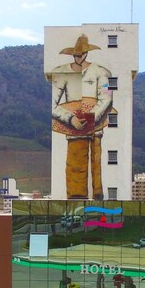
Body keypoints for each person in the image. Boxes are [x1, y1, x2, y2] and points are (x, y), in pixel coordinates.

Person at [50, 34, 114, 199]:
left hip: (96, 125)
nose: (78, 58)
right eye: (75, 55)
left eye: (81, 54)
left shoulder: (101, 72)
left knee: (96, 162)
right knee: (75, 165)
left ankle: (98, 198)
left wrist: (92, 117)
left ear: (86, 53)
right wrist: (71, 119)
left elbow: (106, 98)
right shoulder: (62, 73)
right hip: (74, 128)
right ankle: (76, 200)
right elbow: (53, 104)